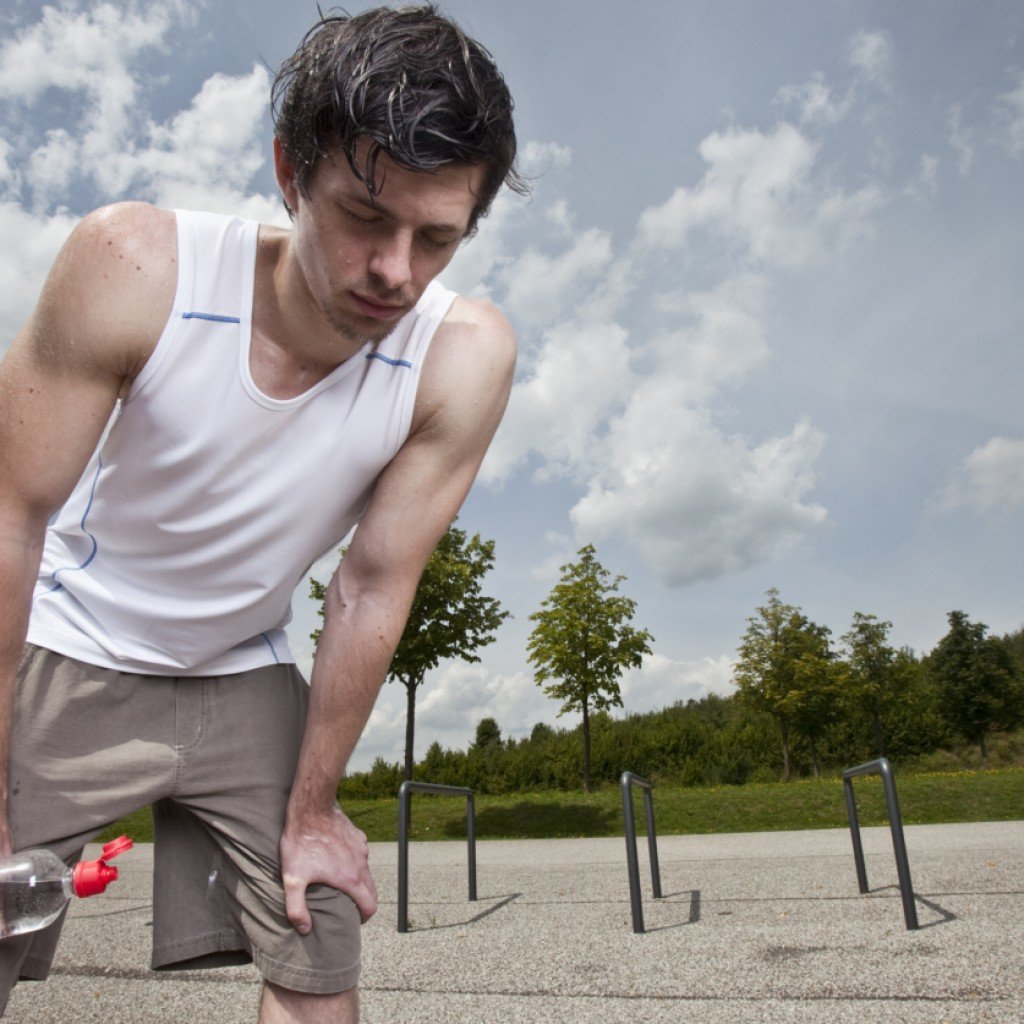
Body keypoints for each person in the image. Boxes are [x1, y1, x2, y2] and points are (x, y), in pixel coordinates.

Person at [0, 5, 526, 1021]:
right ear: (291, 171)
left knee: (317, 942)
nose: (395, 273)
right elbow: (12, 516)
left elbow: (372, 583)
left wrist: (317, 805)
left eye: (436, 240)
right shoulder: (138, 268)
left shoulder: (461, 358)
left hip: (244, 671)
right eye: (366, 218)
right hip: (72, 643)